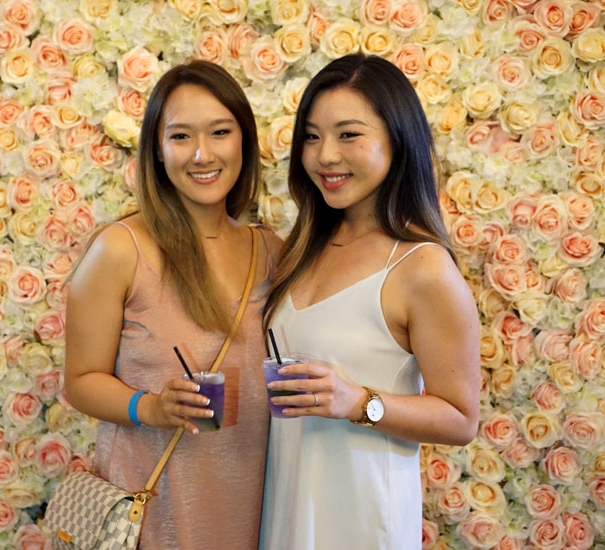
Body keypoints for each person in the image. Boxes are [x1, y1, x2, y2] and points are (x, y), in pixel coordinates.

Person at [259, 54, 480, 549]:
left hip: (359, 517)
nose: (325, 156)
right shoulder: (303, 245)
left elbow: (461, 419)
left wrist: (359, 402)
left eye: (348, 134)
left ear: (397, 140)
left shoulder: (422, 268)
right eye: (312, 137)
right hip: (286, 501)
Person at [64, 60, 281, 550]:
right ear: (157, 151)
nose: (202, 154)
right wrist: (151, 407)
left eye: (220, 132)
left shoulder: (274, 252)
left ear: (243, 141)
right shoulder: (121, 249)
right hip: (154, 507)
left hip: (255, 507)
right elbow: (80, 382)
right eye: (181, 137)